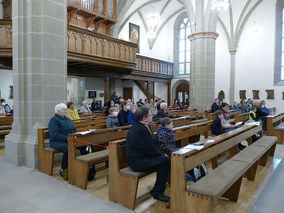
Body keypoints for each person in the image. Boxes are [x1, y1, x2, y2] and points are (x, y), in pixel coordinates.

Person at [126, 106, 170, 202]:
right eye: (151, 115)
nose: (152, 116)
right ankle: (157, 192)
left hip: (144, 157)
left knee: (166, 160)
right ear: (144, 118)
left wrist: (162, 153)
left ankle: (157, 189)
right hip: (137, 162)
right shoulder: (138, 129)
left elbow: (153, 143)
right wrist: (161, 155)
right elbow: (148, 148)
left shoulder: (145, 126)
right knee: (165, 161)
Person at [48, 103, 88, 180]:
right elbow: (54, 134)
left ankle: (85, 165)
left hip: (69, 140)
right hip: (57, 142)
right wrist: (67, 138)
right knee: (68, 149)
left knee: (83, 145)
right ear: (58, 111)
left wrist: (76, 135)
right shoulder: (53, 120)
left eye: (66, 110)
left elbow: (74, 129)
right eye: (64, 110)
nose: (66, 111)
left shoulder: (68, 119)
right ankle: (64, 168)